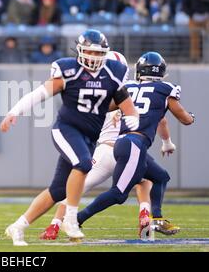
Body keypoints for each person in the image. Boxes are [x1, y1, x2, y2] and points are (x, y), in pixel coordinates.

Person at [0, 29, 140, 245]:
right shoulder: (69, 70)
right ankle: (71, 219)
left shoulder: (113, 73)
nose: (94, 58)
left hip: (89, 137)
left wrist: (133, 119)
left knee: (57, 190)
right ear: (81, 51)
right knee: (83, 163)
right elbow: (39, 93)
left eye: (98, 53)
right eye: (90, 53)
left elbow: (128, 106)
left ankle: (18, 226)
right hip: (66, 129)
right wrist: (14, 112)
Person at [39, 51, 179, 241]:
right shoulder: (128, 91)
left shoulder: (98, 95)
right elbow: (161, 120)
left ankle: (54, 225)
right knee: (145, 179)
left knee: (76, 187)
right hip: (130, 147)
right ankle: (145, 215)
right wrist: (166, 143)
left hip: (106, 150)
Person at [76, 52, 195, 232]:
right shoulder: (166, 89)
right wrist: (192, 117)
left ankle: (157, 219)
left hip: (125, 143)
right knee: (118, 194)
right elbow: (185, 119)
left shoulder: (128, 88)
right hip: (134, 144)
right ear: (161, 72)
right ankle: (77, 219)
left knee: (161, 177)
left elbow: (104, 108)